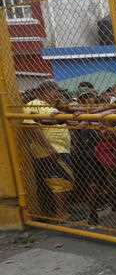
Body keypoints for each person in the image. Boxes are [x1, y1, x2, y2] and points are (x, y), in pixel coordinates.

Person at [23, 81, 74, 220]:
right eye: (54, 91)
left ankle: (61, 212)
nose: (57, 94)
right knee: (58, 182)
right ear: (43, 92)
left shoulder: (50, 106)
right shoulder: (35, 104)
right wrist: (49, 148)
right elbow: (33, 128)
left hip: (59, 149)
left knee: (64, 180)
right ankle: (60, 214)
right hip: (50, 151)